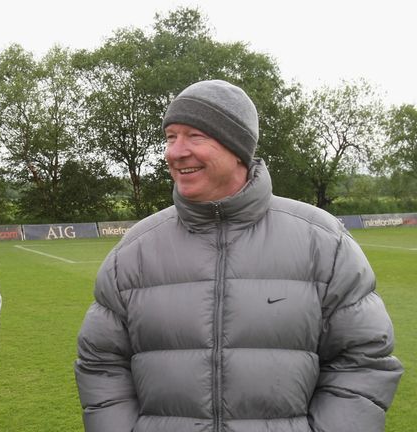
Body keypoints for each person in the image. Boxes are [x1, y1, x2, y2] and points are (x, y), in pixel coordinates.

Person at [74, 79, 402, 432]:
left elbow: (362, 360)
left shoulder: (324, 242)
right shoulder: (133, 250)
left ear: (237, 149)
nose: (174, 151)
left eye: (195, 136)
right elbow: (102, 363)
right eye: (171, 137)